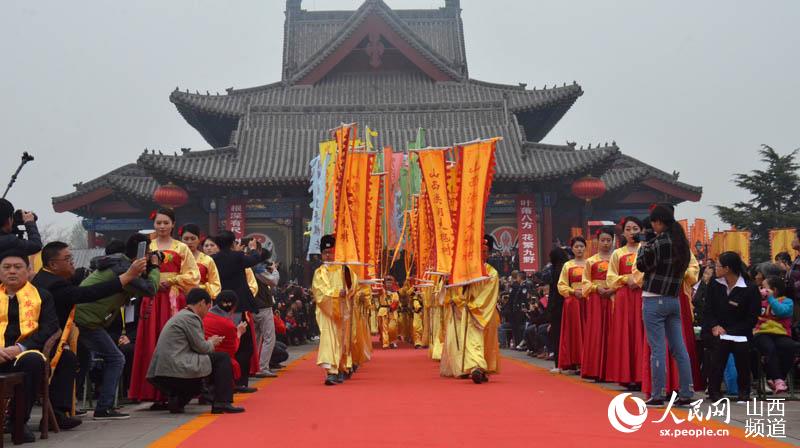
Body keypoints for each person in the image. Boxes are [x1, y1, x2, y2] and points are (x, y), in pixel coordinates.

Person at [31, 241, 146, 424]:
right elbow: (88, 294)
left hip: (60, 335)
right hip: (44, 340)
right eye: (67, 259)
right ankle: (65, 412)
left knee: (78, 357)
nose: (72, 262)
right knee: (73, 359)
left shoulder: (46, 278)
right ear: (53, 264)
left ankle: (64, 409)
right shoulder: (55, 285)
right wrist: (127, 277)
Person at [74, 237, 160, 420]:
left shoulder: (117, 263)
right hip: (88, 320)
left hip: (82, 317)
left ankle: (67, 407)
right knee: (116, 358)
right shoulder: (124, 269)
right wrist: (155, 267)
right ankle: (103, 408)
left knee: (81, 361)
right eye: (148, 252)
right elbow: (150, 289)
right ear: (142, 254)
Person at [130, 208, 200, 405]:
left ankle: (174, 391)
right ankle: (151, 392)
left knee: (173, 343)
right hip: (150, 297)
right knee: (149, 342)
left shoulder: (181, 248)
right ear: (154, 224)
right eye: (158, 223)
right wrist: (150, 281)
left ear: (173, 224)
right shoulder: (145, 246)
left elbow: (193, 275)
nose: (162, 226)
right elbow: (135, 269)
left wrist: (173, 280)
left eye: (165, 223)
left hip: (173, 299)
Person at [147, 288, 244, 414]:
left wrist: (208, 342)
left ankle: (178, 400)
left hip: (162, 370)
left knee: (199, 373)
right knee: (222, 358)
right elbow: (202, 348)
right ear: (202, 303)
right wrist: (212, 342)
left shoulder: (181, 315)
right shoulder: (191, 318)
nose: (208, 311)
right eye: (208, 307)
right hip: (176, 368)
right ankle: (222, 402)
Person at [636, 204, 695, 407]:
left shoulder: (657, 243)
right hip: (673, 299)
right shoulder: (681, 243)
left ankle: (659, 393)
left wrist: (643, 247)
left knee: (658, 349)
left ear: (659, 222)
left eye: (653, 222)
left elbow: (641, 265)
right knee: (679, 347)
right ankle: (686, 391)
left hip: (653, 299)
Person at [0, 250, 61, 443]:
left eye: (17, 267)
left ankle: (18, 422)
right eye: (6, 267)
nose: (12, 272)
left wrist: (20, 348)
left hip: (24, 354)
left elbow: (49, 328)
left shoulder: (42, 296)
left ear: (28, 271)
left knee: (34, 361)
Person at [211, 231, 270, 393]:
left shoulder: (213, 260)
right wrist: (252, 249)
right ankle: (240, 381)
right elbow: (255, 259)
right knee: (243, 345)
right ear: (232, 243)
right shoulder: (237, 257)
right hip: (239, 305)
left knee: (224, 343)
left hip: (219, 305)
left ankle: (226, 381)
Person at [440, 235, 500, 384]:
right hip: (467, 311)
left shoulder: (492, 273)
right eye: (480, 251)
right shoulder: (465, 271)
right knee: (472, 340)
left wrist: (473, 306)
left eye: (485, 251)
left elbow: (488, 295)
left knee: (484, 343)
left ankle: (480, 368)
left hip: (483, 312)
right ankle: (476, 368)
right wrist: (449, 286)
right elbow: (456, 289)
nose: (483, 254)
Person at [311, 235, 357, 385]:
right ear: (322, 254)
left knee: (343, 339)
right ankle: (331, 371)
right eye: (326, 252)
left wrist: (348, 289)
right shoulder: (319, 272)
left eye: (331, 252)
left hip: (343, 310)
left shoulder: (344, 268)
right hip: (327, 311)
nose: (329, 255)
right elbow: (319, 291)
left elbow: (354, 285)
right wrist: (336, 293)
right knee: (328, 339)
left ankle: (342, 367)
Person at [606, 216, 645, 387]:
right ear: (623, 232)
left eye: (635, 228)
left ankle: (643, 375)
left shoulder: (646, 249)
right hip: (624, 296)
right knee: (626, 332)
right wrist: (625, 279)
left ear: (641, 231)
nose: (631, 232)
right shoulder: (618, 253)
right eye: (628, 229)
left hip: (643, 294)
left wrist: (638, 281)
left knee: (642, 332)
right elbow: (610, 277)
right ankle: (626, 375)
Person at [753, 276, 798, 394]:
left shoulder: (788, 301)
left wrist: (771, 299)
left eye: (764, 287)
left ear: (775, 290)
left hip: (781, 333)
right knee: (769, 347)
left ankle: (777, 378)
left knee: (790, 347)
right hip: (761, 333)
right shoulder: (759, 301)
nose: (762, 289)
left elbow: (781, 311)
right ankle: (777, 380)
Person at [580, 228, 614, 381]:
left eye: (608, 240)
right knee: (596, 332)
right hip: (596, 299)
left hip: (613, 297)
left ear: (613, 241)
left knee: (613, 332)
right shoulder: (591, 261)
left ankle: (612, 370)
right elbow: (585, 282)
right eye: (603, 240)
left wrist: (612, 289)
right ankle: (594, 369)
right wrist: (596, 288)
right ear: (597, 241)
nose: (606, 243)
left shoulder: (616, 258)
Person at [557, 237, 587, 374]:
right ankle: (574, 361)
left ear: (585, 248)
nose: (579, 249)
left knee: (587, 331)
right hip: (573, 302)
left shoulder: (590, 264)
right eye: (577, 247)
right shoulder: (567, 265)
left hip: (588, 301)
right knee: (574, 332)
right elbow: (561, 285)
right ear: (572, 249)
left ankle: (586, 360)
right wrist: (573, 291)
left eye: (581, 246)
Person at [203, 290, 248, 381]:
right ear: (234, 307)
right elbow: (233, 349)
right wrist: (239, 333)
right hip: (219, 361)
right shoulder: (228, 324)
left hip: (201, 356)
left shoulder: (203, 316)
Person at [180, 225, 221, 299]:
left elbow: (216, 286)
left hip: (200, 300)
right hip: (177, 299)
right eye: (186, 239)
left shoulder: (207, 260)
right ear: (181, 240)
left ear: (199, 240)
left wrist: (200, 287)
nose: (189, 242)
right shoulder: (176, 258)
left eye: (193, 238)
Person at [547, 247, 570, 372]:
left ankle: (559, 363)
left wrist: (550, 310)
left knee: (557, 336)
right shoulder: (567, 267)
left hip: (558, 307)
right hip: (568, 305)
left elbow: (554, 293)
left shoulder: (556, 270)